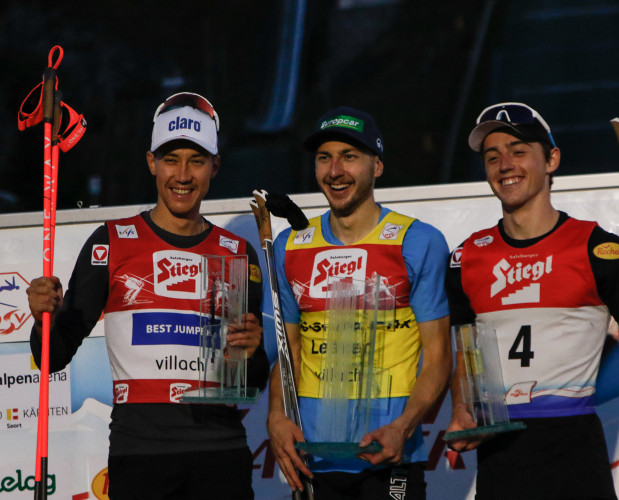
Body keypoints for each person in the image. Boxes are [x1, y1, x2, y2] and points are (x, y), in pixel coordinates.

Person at [26, 92, 269, 499]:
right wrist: (41, 317)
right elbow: (54, 354)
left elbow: (253, 378)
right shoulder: (111, 243)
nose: (183, 175)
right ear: (151, 163)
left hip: (220, 454)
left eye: (197, 160)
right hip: (141, 456)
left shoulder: (237, 254)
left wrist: (251, 353)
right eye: (171, 159)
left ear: (215, 166)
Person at [444, 102, 619, 499]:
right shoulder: (465, 257)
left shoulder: (599, 249)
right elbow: (466, 355)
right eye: (493, 157)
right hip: (500, 459)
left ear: (552, 159)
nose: (505, 164)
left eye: (519, 151)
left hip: (574, 453)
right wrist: (462, 410)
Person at [266, 106, 451, 499]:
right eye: (324, 158)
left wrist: (403, 427)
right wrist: (276, 416)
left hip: (388, 457)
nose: (335, 171)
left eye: (349, 156)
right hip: (312, 458)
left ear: (377, 166)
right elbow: (289, 351)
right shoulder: (289, 247)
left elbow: (438, 358)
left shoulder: (417, 241)